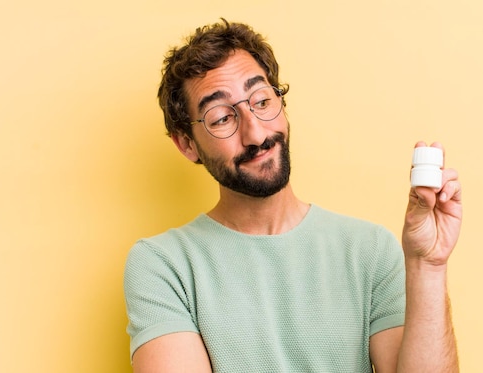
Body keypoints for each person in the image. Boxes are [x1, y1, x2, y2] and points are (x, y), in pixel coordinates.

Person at [124, 19, 462, 373]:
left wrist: (428, 265)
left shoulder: (370, 250)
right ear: (187, 144)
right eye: (223, 117)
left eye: (262, 100)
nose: (256, 133)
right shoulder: (164, 266)